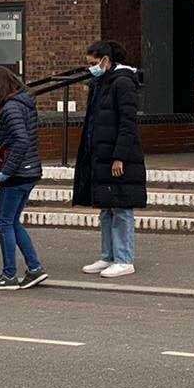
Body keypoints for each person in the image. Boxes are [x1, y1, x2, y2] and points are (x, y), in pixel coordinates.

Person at [72, 40, 146, 278]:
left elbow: (127, 124)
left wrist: (119, 157)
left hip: (116, 155)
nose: (91, 67)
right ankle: (108, 256)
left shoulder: (122, 83)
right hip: (101, 154)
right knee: (106, 207)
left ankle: (124, 258)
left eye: (94, 63)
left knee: (121, 207)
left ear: (106, 60)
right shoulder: (100, 83)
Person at [0, 65, 47, 290]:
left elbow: (20, 141)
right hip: (29, 170)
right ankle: (35, 268)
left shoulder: (11, 108)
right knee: (12, 221)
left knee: (3, 222)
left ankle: (9, 274)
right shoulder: (24, 103)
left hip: (18, 173)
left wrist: (5, 172)